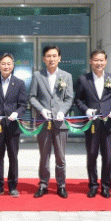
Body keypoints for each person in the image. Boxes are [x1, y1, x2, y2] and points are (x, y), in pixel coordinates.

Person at [74, 49, 111, 198]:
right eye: (96, 60)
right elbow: (78, 99)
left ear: (105, 62)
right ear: (91, 61)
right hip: (92, 124)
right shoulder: (83, 79)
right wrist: (86, 110)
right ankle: (93, 185)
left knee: (107, 157)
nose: (99, 63)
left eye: (101, 60)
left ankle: (106, 186)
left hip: (108, 124)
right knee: (92, 156)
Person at [28, 44, 74, 198]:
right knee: (44, 155)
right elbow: (32, 97)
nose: (51, 59)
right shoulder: (37, 76)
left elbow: (69, 98)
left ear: (59, 58)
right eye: (48, 56)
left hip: (60, 123)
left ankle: (61, 185)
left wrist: (62, 111)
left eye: (54, 56)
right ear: (43, 59)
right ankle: (43, 184)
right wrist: (42, 110)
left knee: (60, 156)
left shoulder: (66, 76)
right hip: (43, 122)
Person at [0, 53, 28, 198]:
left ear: (13, 66)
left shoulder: (19, 83)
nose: (6, 66)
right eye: (3, 63)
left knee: (13, 156)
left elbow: (23, 104)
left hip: (13, 126)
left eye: (9, 64)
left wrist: (17, 113)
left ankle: (13, 186)